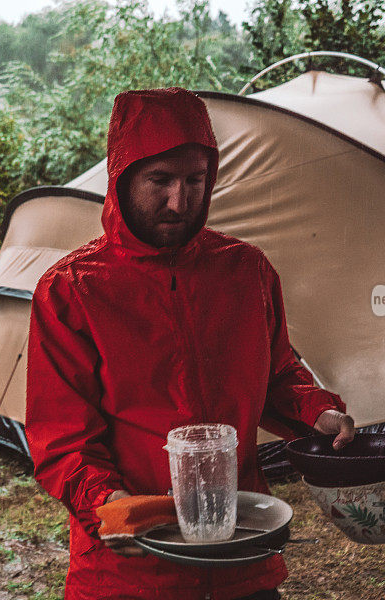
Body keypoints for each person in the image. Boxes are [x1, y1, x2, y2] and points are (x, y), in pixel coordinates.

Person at [26, 87, 355, 600]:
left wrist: (319, 413)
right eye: (160, 180)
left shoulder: (246, 271)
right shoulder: (73, 290)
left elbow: (277, 375)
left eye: (195, 181)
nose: (180, 201)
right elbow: (62, 440)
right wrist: (110, 505)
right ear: (122, 178)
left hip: (239, 556)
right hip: (127, 571)